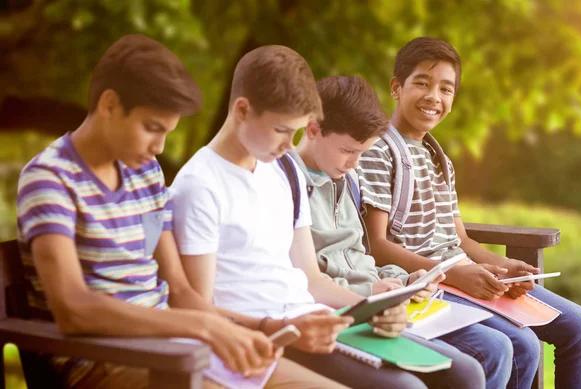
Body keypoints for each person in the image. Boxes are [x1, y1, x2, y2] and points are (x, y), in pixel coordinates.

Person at [16, 34, 344, 389]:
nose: (159, 147)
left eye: (167, 133)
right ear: (109, 105)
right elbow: (74, 308)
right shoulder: (50, 179)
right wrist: (202, 327)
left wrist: (263, 329)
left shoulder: (145, 175)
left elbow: (178, 289)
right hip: (109, 361)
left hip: (180, 348)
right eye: (151, 129)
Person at [172, 44, 480, 389]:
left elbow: (311, 278)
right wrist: (279, 328)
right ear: (242, 110)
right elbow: (197, 309)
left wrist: (373, 306)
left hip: (316, 317)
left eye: (296, 131)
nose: (291, 145)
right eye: (282, 130)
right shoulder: (200, 185)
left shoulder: (282, 169)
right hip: (271, 332)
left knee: (466, 374)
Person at [358, 36, 581, 389]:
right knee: (522, 345)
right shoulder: (378, 151)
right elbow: (376, 246)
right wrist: (456, 275)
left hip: (463, 275)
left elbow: (460, 239)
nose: (433, 97)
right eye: (422, 83)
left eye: (445, 89)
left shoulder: (440, 160)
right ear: (396, 87)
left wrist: (502, 268)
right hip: (426, 283)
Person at [290, 74, 517, 389]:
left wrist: (405, 281)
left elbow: (361, 256)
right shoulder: (288, 183)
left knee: (492, 353)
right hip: (346, 310)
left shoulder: (345, 178)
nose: (355, 164)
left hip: (382, 302)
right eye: (348, 151)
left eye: (361, 153)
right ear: (312, 129)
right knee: (460, 368)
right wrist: (370, 297)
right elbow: (305, 276)